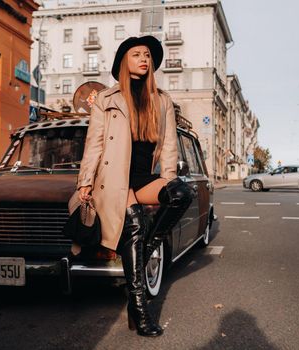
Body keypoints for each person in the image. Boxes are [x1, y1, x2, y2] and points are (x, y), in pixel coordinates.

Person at [76, 35, 193, 337]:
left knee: (181, 194)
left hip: (143, 178)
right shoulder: (107, 99)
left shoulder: (162, 100)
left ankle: (147, 250)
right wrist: (85, 182)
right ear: (123, 62)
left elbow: (168, 146)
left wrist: (167, 178)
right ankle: (139, 310)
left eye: (147, 55)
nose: (144, 59)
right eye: (136, 54)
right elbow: (94, 144)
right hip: (114, 179)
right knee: (135, 226)